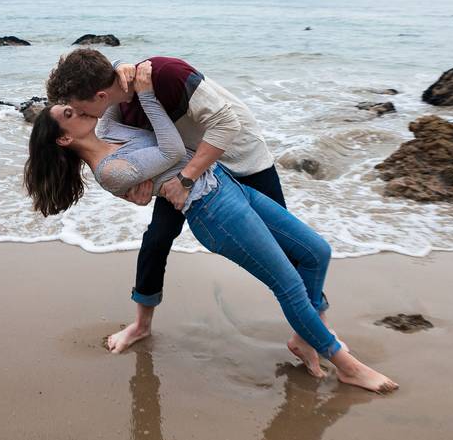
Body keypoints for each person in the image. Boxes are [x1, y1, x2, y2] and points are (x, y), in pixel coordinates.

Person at [25, 61, 398, 394]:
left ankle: (305, 340)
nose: (79, 110)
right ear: (64, 138)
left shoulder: (108, 129)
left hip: (227, 182)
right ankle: (346, 366)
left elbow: (112, 95)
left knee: (317, 251)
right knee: (287, 283)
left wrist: (125, 71)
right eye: (69, 113)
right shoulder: (109, 169)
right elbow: (171, 153)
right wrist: (150, 98)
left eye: (74, 105)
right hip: (211, 211)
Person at [45, 50, 327, 362]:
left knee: (291, 247)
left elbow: (225, 123)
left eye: (77, 107)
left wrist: (184, 180)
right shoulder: (115, 102)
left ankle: (311, 329)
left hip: (238, 158)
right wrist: (143, 189)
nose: (80, 113)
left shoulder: (166, 74)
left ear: (97, 95)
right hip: (186, 169)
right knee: (157, 239)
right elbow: (133, 148)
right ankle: (141, 325)